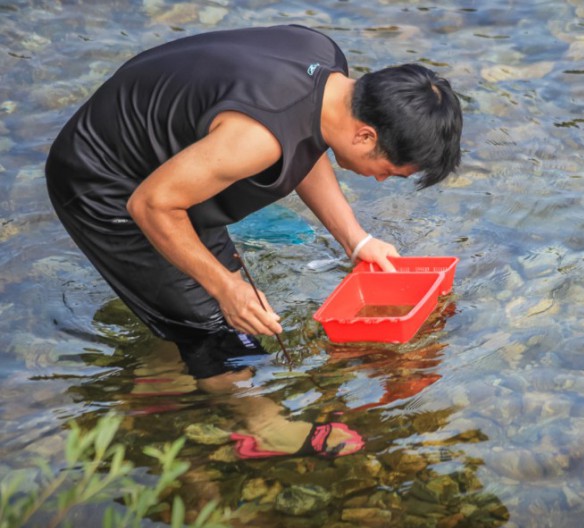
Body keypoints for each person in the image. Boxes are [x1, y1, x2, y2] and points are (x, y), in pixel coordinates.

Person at [45, 24, 463, 379]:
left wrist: (356, 240)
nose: (381, 179)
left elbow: (304, 143)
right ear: (366, 135)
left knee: (226, 313)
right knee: (217, 333)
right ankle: (212, 415)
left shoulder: (327, 66)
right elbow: (151, 205)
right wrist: (226, 287)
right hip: (106, 178)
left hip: (173, 165)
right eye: (389, 171)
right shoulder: (256, 138)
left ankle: (162, 371)